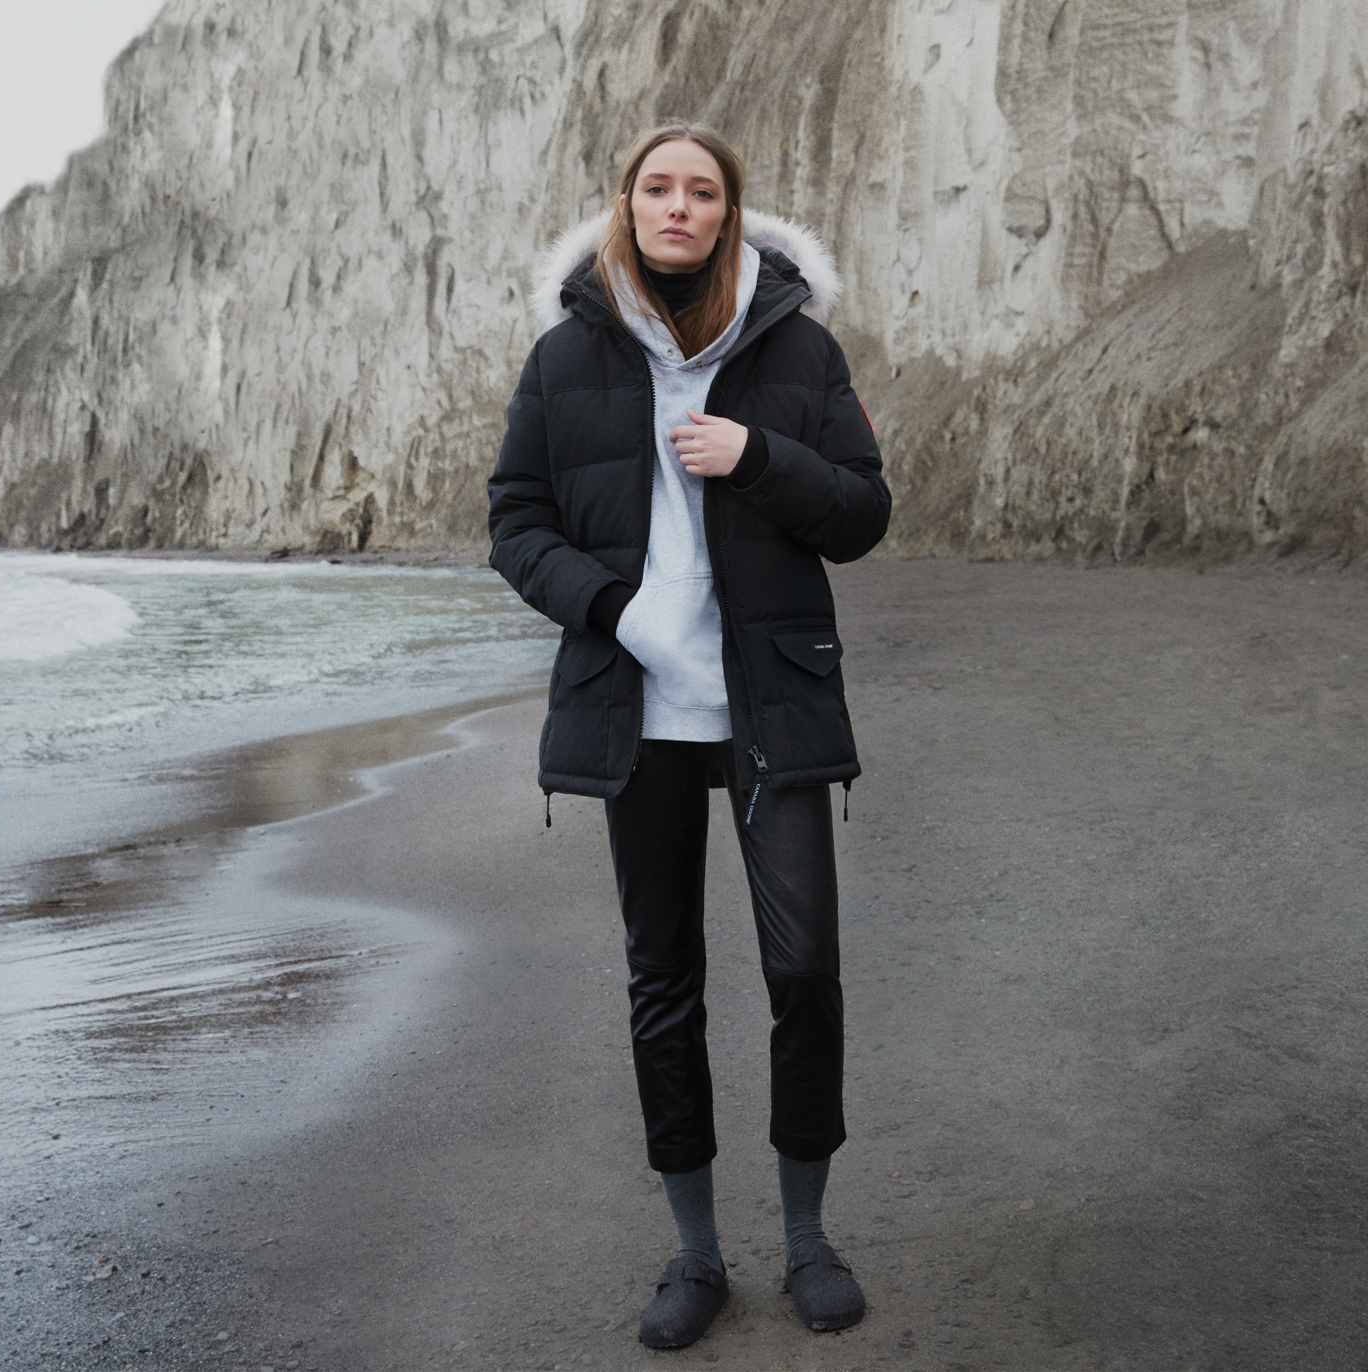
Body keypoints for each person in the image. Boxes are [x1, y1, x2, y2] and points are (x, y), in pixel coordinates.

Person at [487, 121, 890, 1350]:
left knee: (803, 970)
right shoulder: (564, 359)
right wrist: (612, 607)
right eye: (657, 186)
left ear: (729, 213)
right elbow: (516, 524)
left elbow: (862, 511)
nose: (678, 206)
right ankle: (698, 1254)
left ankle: (808, 1239)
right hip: (637, 709)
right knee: (663, 982)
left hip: (768, 704)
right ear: (627, 204)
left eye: (701, 190)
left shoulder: (797, 349)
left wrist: (755, 454)